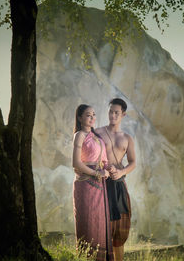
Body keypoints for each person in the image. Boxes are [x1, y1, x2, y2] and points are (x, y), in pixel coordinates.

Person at [96, 98, 136, 261]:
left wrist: (121, 172)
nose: (112, 115)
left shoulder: (127, 138)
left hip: (119, 184)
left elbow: (133, 162)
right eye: (110, 111)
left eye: (116, 113)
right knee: (101, 228)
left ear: (123, 115)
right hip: (101, 184)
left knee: (119, 230)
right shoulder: (97, 133)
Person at [72, 104, 114, 261]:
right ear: (80, 117)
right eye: (88, 115)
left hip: (99, 186)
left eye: (94, 115)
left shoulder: (98, 138)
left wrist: (111, 169)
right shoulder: (80, 135)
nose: (92, 117)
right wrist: (96, 173)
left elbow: (104, 161)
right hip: (85, 184)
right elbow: (76, 163)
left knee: (99, 224)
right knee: (88, 223)